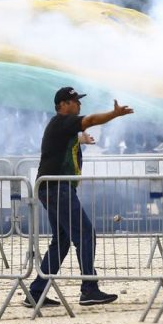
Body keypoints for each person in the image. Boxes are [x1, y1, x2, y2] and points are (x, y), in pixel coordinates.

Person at [26, 87, 134, 308]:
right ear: (63, 105)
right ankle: (89, 289)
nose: (79, 105)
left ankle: (36, 292)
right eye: (75, 101)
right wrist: (114, 114)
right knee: (85, 234)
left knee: (62, 241)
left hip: (52, 188)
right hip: (57, 188)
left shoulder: (62, 128)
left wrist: (80, 140)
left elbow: (65, 144)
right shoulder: (62, 122)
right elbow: (92, 119)